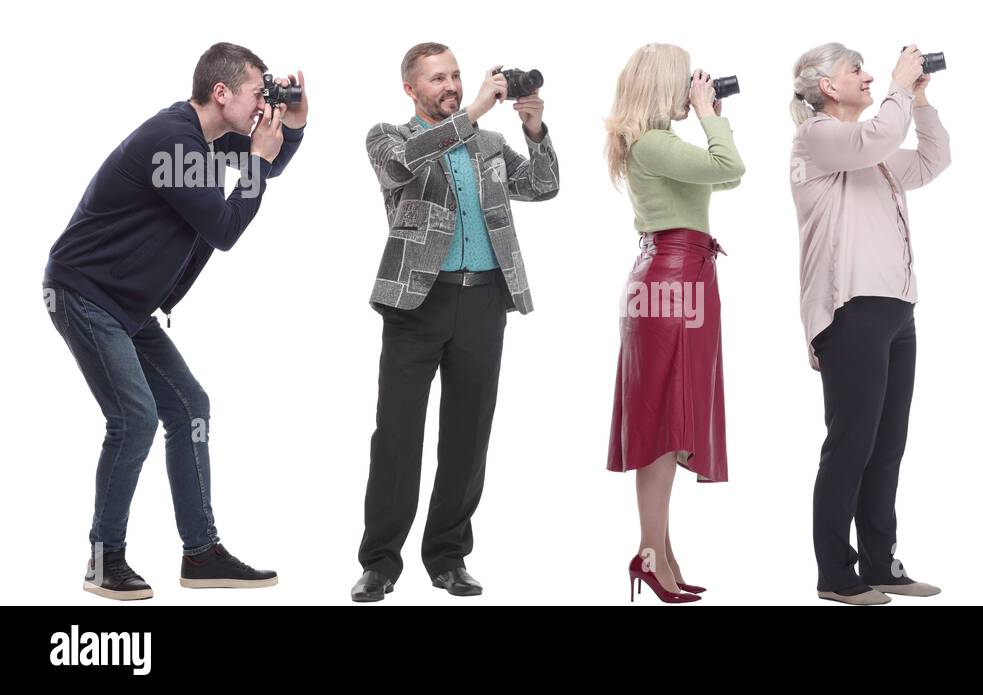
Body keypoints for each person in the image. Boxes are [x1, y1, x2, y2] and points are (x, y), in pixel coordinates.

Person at [43, 42, 306, 600]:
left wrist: (295, 127)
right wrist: (258, 160)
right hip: (83, 293)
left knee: (190, 407)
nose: (264, 104)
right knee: (134, 418)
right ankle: (102, 560)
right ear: (221, 93)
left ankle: (202, 553)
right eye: (258, 94)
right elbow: (227, 228)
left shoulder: (206, 138)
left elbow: (270, 159)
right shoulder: (174, 143)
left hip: (125, 305)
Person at [352, 42, 559, 602]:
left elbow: (542, 187)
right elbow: (400, 166)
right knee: (397, 435)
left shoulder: (490, 144)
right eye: (438, 78)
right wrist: (469, 116)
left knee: (468, 437)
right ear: (411, 88)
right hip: (417, 304)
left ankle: (447, 556)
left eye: (456, 75)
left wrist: (535, 131)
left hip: (484, 301)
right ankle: (380, 563)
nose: (450, 85)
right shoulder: (388, 137)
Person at [789, 43, 950, 605]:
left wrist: (920, 101)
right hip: (849, 307)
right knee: (850, 443)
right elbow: (876, 136)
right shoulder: (819, 137)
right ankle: (836, 574)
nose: (870, 75)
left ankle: (881, 565)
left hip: (895, 309)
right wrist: (900, 89)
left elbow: (933, 160)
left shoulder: (871, 153)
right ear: (827, 86)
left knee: (888, 444)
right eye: (856, 69)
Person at [604, 43, 744, 604]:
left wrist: (711, 120)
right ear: (665, 85)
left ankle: (661, 548)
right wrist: (711, 114)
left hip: (675, 275)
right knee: (662, 423)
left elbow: (724, 178)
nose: (696, 85)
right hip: (673, 281)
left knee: (667, 416)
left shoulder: (659, 144)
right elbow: (732, 166)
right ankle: (649, 550)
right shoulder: (654, 143)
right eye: (687, 79)